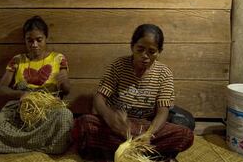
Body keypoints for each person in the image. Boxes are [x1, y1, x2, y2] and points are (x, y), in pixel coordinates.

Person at [72, 24, 194, 161]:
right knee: (84, 124)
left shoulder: (164, 74)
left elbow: (162, 111)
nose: (145, 56)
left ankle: (119, 152)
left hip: (145, 127)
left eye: (152, 52)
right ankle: (149, 155)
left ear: (159, 52)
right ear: (132, 47)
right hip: (118, 127)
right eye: (140, 49)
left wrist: (149, 135)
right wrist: (109, 117)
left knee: (185, 134)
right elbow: (99, 98)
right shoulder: (118, 66)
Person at [0, 16, 73, 158]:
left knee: (65, 117)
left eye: (39, 40)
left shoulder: (58, 58)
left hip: (47, 111)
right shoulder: (17, 60)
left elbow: (66, 90)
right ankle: (41, 144)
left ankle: (18, 144)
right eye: (30, 40)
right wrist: (20, 94)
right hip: (19, 112)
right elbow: (1, 89)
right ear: (25, 40)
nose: (34, 44)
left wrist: (64, 81)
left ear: (46, 38)